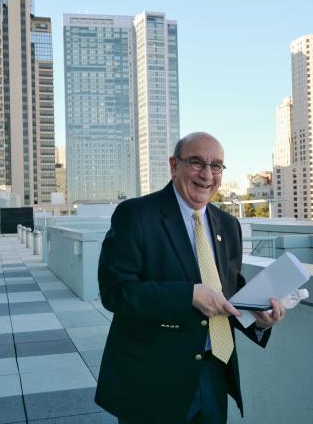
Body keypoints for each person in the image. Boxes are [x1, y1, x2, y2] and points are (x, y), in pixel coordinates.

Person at [95, 132, 285, 424]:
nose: (207, 174)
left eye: (217, 165)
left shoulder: (229, 224)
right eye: (196, 162)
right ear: (174, 166)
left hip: (214, 373)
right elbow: (116, 292)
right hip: (153, 377)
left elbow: (232, 290)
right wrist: (188, 296)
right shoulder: (135, 215)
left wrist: (258, 320)